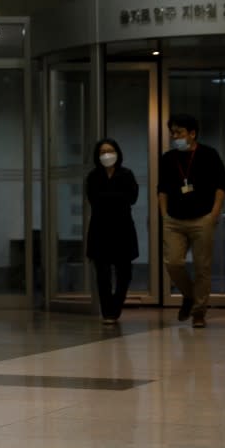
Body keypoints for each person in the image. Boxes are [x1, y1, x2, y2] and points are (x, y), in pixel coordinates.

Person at [158, 113, 225, 328]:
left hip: (202, 218)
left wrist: (214, 213)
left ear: (192, 133)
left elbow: (222, 185)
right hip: (174, 219)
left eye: (179, 132)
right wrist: (164, 214)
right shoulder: (168, 158)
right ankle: (189, 296)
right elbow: (162, 189)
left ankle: (199, 312)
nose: (174, 136)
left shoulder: (209, 155)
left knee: (202, 267)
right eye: (172, 132)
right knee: (173, 262)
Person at [85, 139, 139, 324]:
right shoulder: (93, 176)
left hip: (123, 229)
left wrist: (109, 198)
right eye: (102, 151)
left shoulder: (126, 174)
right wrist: (116, 198)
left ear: (117, 152)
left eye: (110, 150)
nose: (106, 154)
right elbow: (94, 200)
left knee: (125, 273)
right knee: (102, 273)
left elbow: (132, 198)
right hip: (100, 229)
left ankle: (116, 306)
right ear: (97, 156)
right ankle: (108, 311)